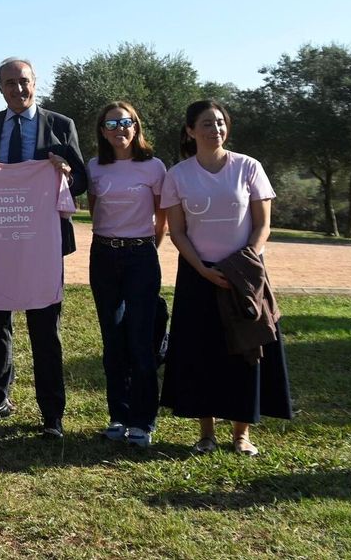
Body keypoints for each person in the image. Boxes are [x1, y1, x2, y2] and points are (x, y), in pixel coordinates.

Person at [0, 58, 88, 438]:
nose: (18, 89)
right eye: (10, 83)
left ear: (35, 82)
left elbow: (81, 180)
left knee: (45, 328)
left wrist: (66, 172)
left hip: (42, 245)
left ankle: (52, 413)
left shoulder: (61, 125)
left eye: (24, 81)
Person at [160, 100, 290, 456]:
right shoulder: (178, 175)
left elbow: (263, 225)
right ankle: (206, 434)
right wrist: (203, 269)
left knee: (247, 351)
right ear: (190, 131)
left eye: (220, 122)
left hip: (244, 275)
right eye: (206, 123)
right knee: (201, 353)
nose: (215, 129)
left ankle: (241, 435)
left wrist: (242, 264)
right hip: (198, 274)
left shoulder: (249, 167)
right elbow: (177, 231)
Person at [85, 101, 167, 449]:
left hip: (141, 257)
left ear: (136, 126)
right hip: (103, 255)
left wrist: (145, 248)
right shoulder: (94, 167)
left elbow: (162, 218)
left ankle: (143, 421)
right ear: (102, 132)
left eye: (125, 122)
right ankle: (118, 416)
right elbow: (94, 210)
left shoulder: (154, 167)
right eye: (111, 124)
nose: (119, 129)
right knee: (113, 341)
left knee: (140, 340)